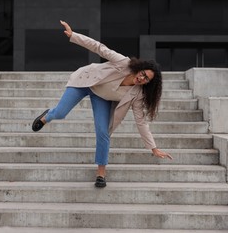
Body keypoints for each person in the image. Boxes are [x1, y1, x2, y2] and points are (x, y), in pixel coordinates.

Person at [32, 20, 173, 188]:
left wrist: (153, 148)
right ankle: (47, 116)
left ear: (148, 83)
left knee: (103, 132)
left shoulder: (138, 94)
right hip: (86, 82)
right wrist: (74, 36)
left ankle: (101, 173)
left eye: (146, 79)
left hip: (102, 97)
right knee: (61, 113)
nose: (141, 78)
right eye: (143, 73)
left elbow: (141, 121)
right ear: (139, 68)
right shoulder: (123, 63)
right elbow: (99, 47)